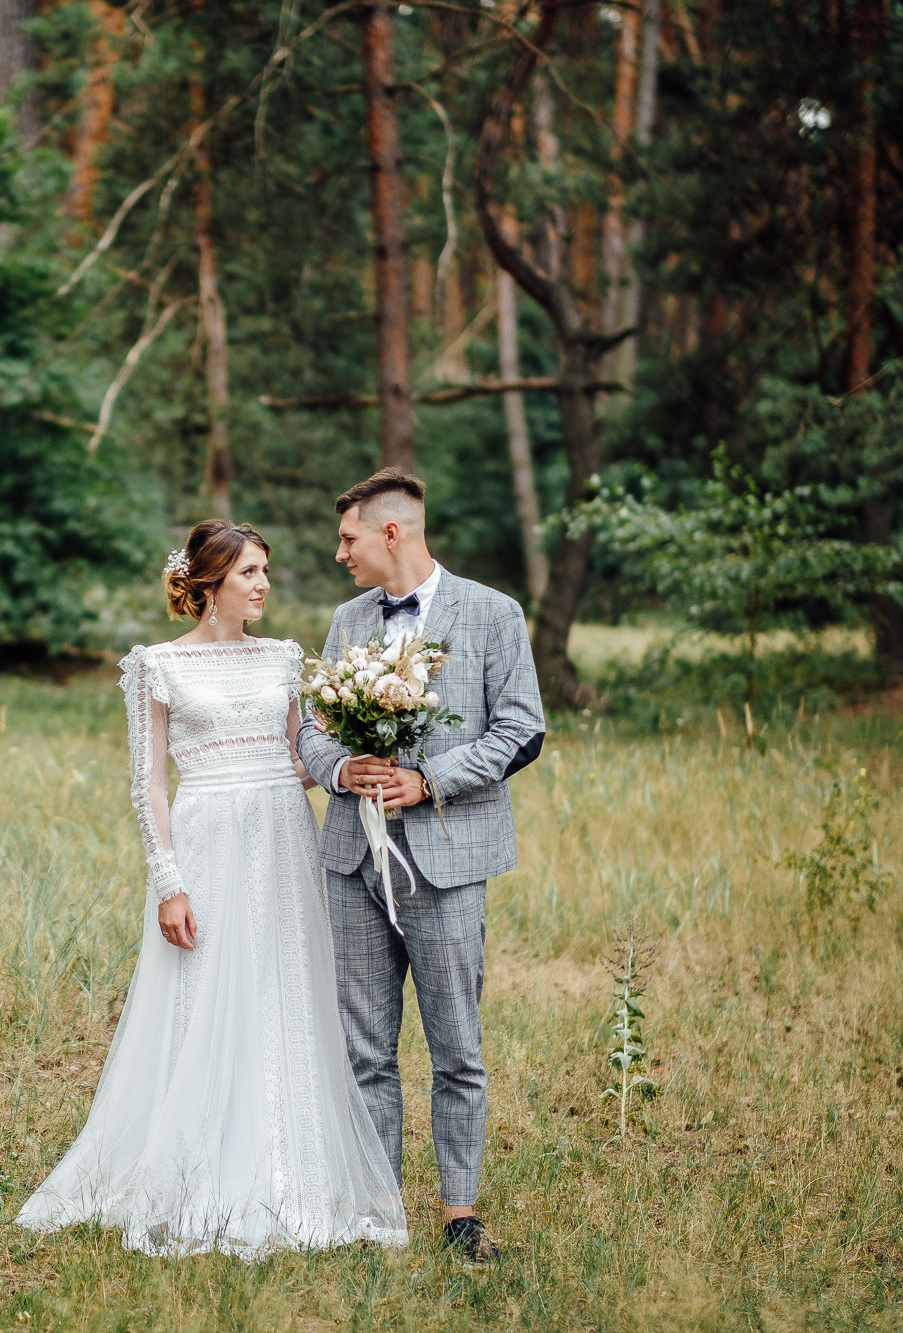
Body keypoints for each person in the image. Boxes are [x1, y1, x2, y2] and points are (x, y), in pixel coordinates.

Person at [17, 519, 408, 1258]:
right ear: (209, 584)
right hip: (204, 839)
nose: (263, 584)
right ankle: (196, 1170)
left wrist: (347, 753)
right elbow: (148, 782)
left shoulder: (286, 657)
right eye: (249, 572)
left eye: (266, 569)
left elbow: (304, 754)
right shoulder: (157, 665)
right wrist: (170, 880)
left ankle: (291, 1172)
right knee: (203, 998)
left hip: (283, 835)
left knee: (283, 990)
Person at [294, 469, 546, 1264]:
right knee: (365, 1044)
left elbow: (521, 729)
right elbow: (310, 729)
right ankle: (377, 1207)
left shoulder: (493, 613)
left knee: (456, 1045)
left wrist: (429, 779)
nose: (341, 553)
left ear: (392, 533)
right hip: (352, 861)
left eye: (349, 538)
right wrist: (342, 771)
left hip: (446, 856)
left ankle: (460, 1212)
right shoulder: (346, 621)